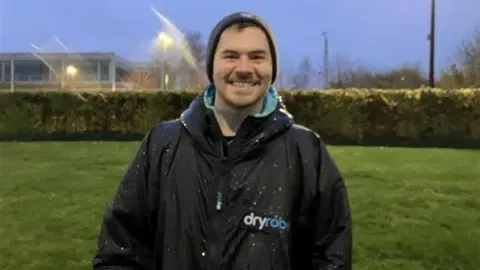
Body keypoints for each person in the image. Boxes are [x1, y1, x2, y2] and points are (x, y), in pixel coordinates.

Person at [93, 11, 352, 270]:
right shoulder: (162, 145)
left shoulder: (307, 152)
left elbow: (331, 256)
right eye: (230, 56)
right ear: (211, 66)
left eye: (257, 57)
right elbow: (121, 250)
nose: (243, 69)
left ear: (272, 68)